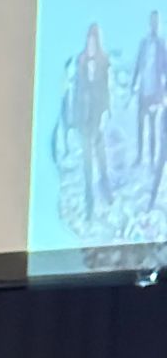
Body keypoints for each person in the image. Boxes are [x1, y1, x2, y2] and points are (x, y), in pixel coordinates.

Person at [75, 23, 113, 220]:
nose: (91, 45)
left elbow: (106, 90)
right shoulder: (80, 61)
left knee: (101, 158)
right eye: (89, 41)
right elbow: (77, 91)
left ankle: (106, 192)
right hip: (84, 119)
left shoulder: (104, 62)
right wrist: (75, 119)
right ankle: (89, 202)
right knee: (87, 164)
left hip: (98, 117)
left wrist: (106, 112)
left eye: (94, 42)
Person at [135, 9, 167, 170]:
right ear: (149, 23)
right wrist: (133, 84)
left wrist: (164, 91)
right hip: (143, 91)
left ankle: (153, 159)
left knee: (153, 128)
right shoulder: (144, 43)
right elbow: (137, 65)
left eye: (157, 22)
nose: (154, 24)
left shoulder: (162, 45)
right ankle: (140, 156)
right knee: (140, 126)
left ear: (159, 25)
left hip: (155, 92)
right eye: (152, 21)